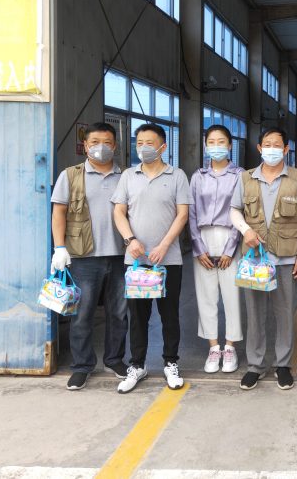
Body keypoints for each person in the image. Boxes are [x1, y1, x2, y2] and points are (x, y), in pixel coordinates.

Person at [111, 124, 192, 393]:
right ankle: (137, 365)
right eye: (139, 143)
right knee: (138, 316)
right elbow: (119, 212)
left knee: (169, 315)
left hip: (168, 261)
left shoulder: (177, 176)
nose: (143, 148)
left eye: (149, 143)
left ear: (163, 147)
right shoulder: (128, 176)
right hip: (136, 260)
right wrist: (130, 240)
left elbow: (182, 214)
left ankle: (171, 362)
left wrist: (164, 245)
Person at [230, 127, 297, 391]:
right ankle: (255, 366)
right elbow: (234, 211)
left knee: (285, 313)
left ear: (286, 149)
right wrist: (246, 230)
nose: (272, 149)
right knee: (255, 314)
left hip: (286, 257)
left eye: (277, 145)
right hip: (254, 259)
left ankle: (283, 365)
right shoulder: (245, 178)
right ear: (259, 148)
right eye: (267, 144)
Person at [50, 122, 127, 390]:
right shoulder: (70, 176)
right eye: (94, 142)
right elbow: (59, 213)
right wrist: (59, 247)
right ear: (85, 145)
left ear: (115, 146)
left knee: (119, 313)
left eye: (106, 142)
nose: (100, 147)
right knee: (82, 314)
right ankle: (82, 366)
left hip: (121, 256)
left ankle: (115, 360)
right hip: (84, 257)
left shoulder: (126, 176)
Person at [189, 125, 244, 375]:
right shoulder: (198, 176)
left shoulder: (240, 175)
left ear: (230, 145)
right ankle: (213, 347)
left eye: (221, 141)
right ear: (205, 145)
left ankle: (230, 347)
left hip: (230, 237)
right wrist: (198, 248)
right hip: (202, 237)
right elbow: (191, 213)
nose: (216, 146)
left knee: (232, 296)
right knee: (206, 296)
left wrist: (230, 249)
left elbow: (241, 211)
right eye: (211, 141)